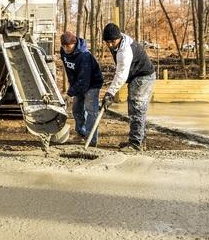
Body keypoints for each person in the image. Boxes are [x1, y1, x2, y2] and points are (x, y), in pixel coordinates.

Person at [101, 23, 156, 152]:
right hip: (137, 76)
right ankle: (140, 142)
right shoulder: (118, 42)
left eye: (112, 41)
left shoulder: (124, 51)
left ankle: (135, 144)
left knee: (137, 109)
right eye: (107, 42)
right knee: (136, 109)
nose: (109, 45)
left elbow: (121, 75)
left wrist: (110, 93)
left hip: (143, 77)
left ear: (119, 38)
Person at [59, 31, 104, 146]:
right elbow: (70, 71)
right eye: (63, 45)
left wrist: (69, 93)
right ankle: (81, 134)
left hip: (92, 84)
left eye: (68, 46)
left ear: (74, 44)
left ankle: (91, 140)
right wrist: (72, 87)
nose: (65, 48)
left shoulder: (84, 56)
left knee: (91, 111)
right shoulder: (63, 52)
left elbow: (84, 81)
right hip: (78, 83)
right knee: (77, 109)